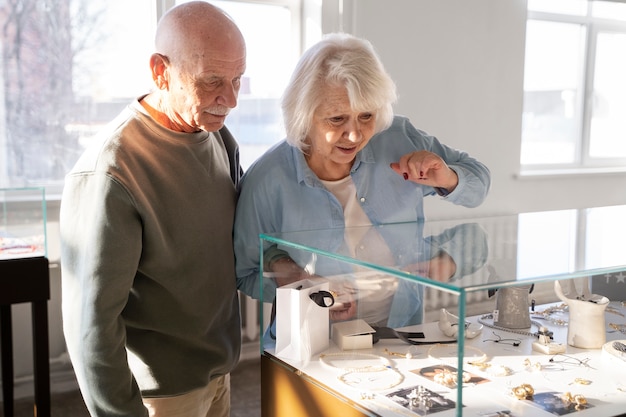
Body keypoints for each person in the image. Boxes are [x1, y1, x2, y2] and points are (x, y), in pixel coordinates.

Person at [60, 2, 246, 417]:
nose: (230, 98)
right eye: (213, 80)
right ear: (161, 71)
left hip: (220, 372)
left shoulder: (216, 134)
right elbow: (91, 325)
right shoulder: (110, 172)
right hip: (162, 395)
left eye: (237, 79)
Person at [234, 33, 491, 329]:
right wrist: (301, 289)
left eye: (366, 115)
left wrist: (446, 176)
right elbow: (246, 272)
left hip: (400, 335)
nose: (355, 135)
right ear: (303, 115)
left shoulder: (398, 138)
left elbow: (478, 183)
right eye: (337, 119)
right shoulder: (267, 179)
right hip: (311, 348)